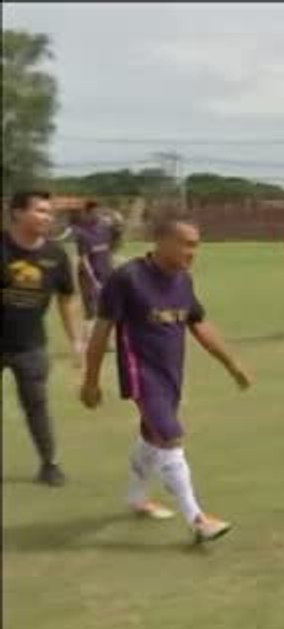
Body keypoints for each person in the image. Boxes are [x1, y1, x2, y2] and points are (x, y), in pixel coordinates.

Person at [80, 215, 252, 543]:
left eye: (196, 245)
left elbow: (198, 324)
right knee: (170, 437)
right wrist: (91, 380)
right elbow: (101, 332)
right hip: (140, 373)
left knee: (152, 437)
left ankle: (135, 495)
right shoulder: (127, 278)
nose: (193, 252)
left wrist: (232, 364)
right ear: (161, 241)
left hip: (171, 373)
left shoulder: (183, 280)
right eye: (186, 244)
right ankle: (197, 519)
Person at [1, 190, 83, 486]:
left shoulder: (55, 255)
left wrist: (76, 340)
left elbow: (67, 299)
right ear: (18, 212)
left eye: (49, 212)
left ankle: (49, 465)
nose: (47, 217)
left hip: (30, 347)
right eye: (40, 211)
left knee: (37, 407)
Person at [67, 201, 116, 353]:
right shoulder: (82, 234)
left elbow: (108, 252)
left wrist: (111, 271)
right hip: (88, 277)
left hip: (106, 274)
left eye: (99, 211)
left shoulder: (105, 230)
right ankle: (88, 342)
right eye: (94, 212)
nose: (98, 214)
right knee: (91, 310)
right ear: (87, 213)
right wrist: (93, 279)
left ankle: (107, 343)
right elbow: (84, 259)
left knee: (107, 309)